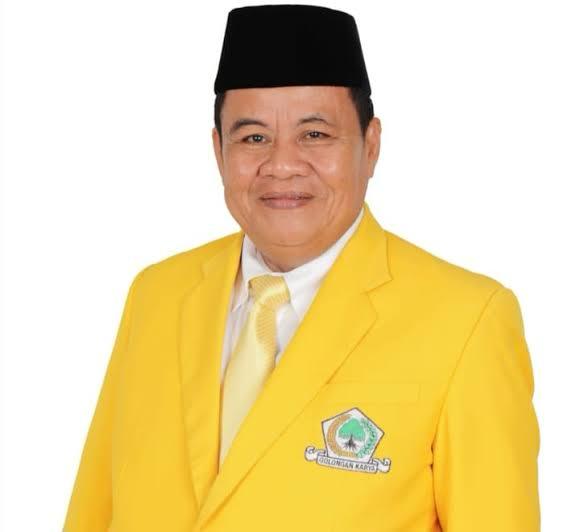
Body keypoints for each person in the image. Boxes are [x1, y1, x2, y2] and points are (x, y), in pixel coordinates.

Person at [63, 4, 540, 531]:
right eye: (253, 137)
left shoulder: (466, 321)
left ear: (371, 145)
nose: (282, 164)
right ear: (218, 151)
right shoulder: (157, 294)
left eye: (315, 135)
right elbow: (93, 513)